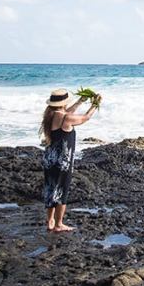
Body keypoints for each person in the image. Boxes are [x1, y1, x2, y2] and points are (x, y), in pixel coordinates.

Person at [39, 88, 100, 233]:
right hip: (63, 162)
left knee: (51, 188)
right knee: (62, 191)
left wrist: (81, 101)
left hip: (50, 159)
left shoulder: (50, 115)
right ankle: (59, 224)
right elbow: (85, 118)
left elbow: (67, 112)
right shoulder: (66, 118)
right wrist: (95, 104)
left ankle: (50, 221)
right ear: (64, 103)